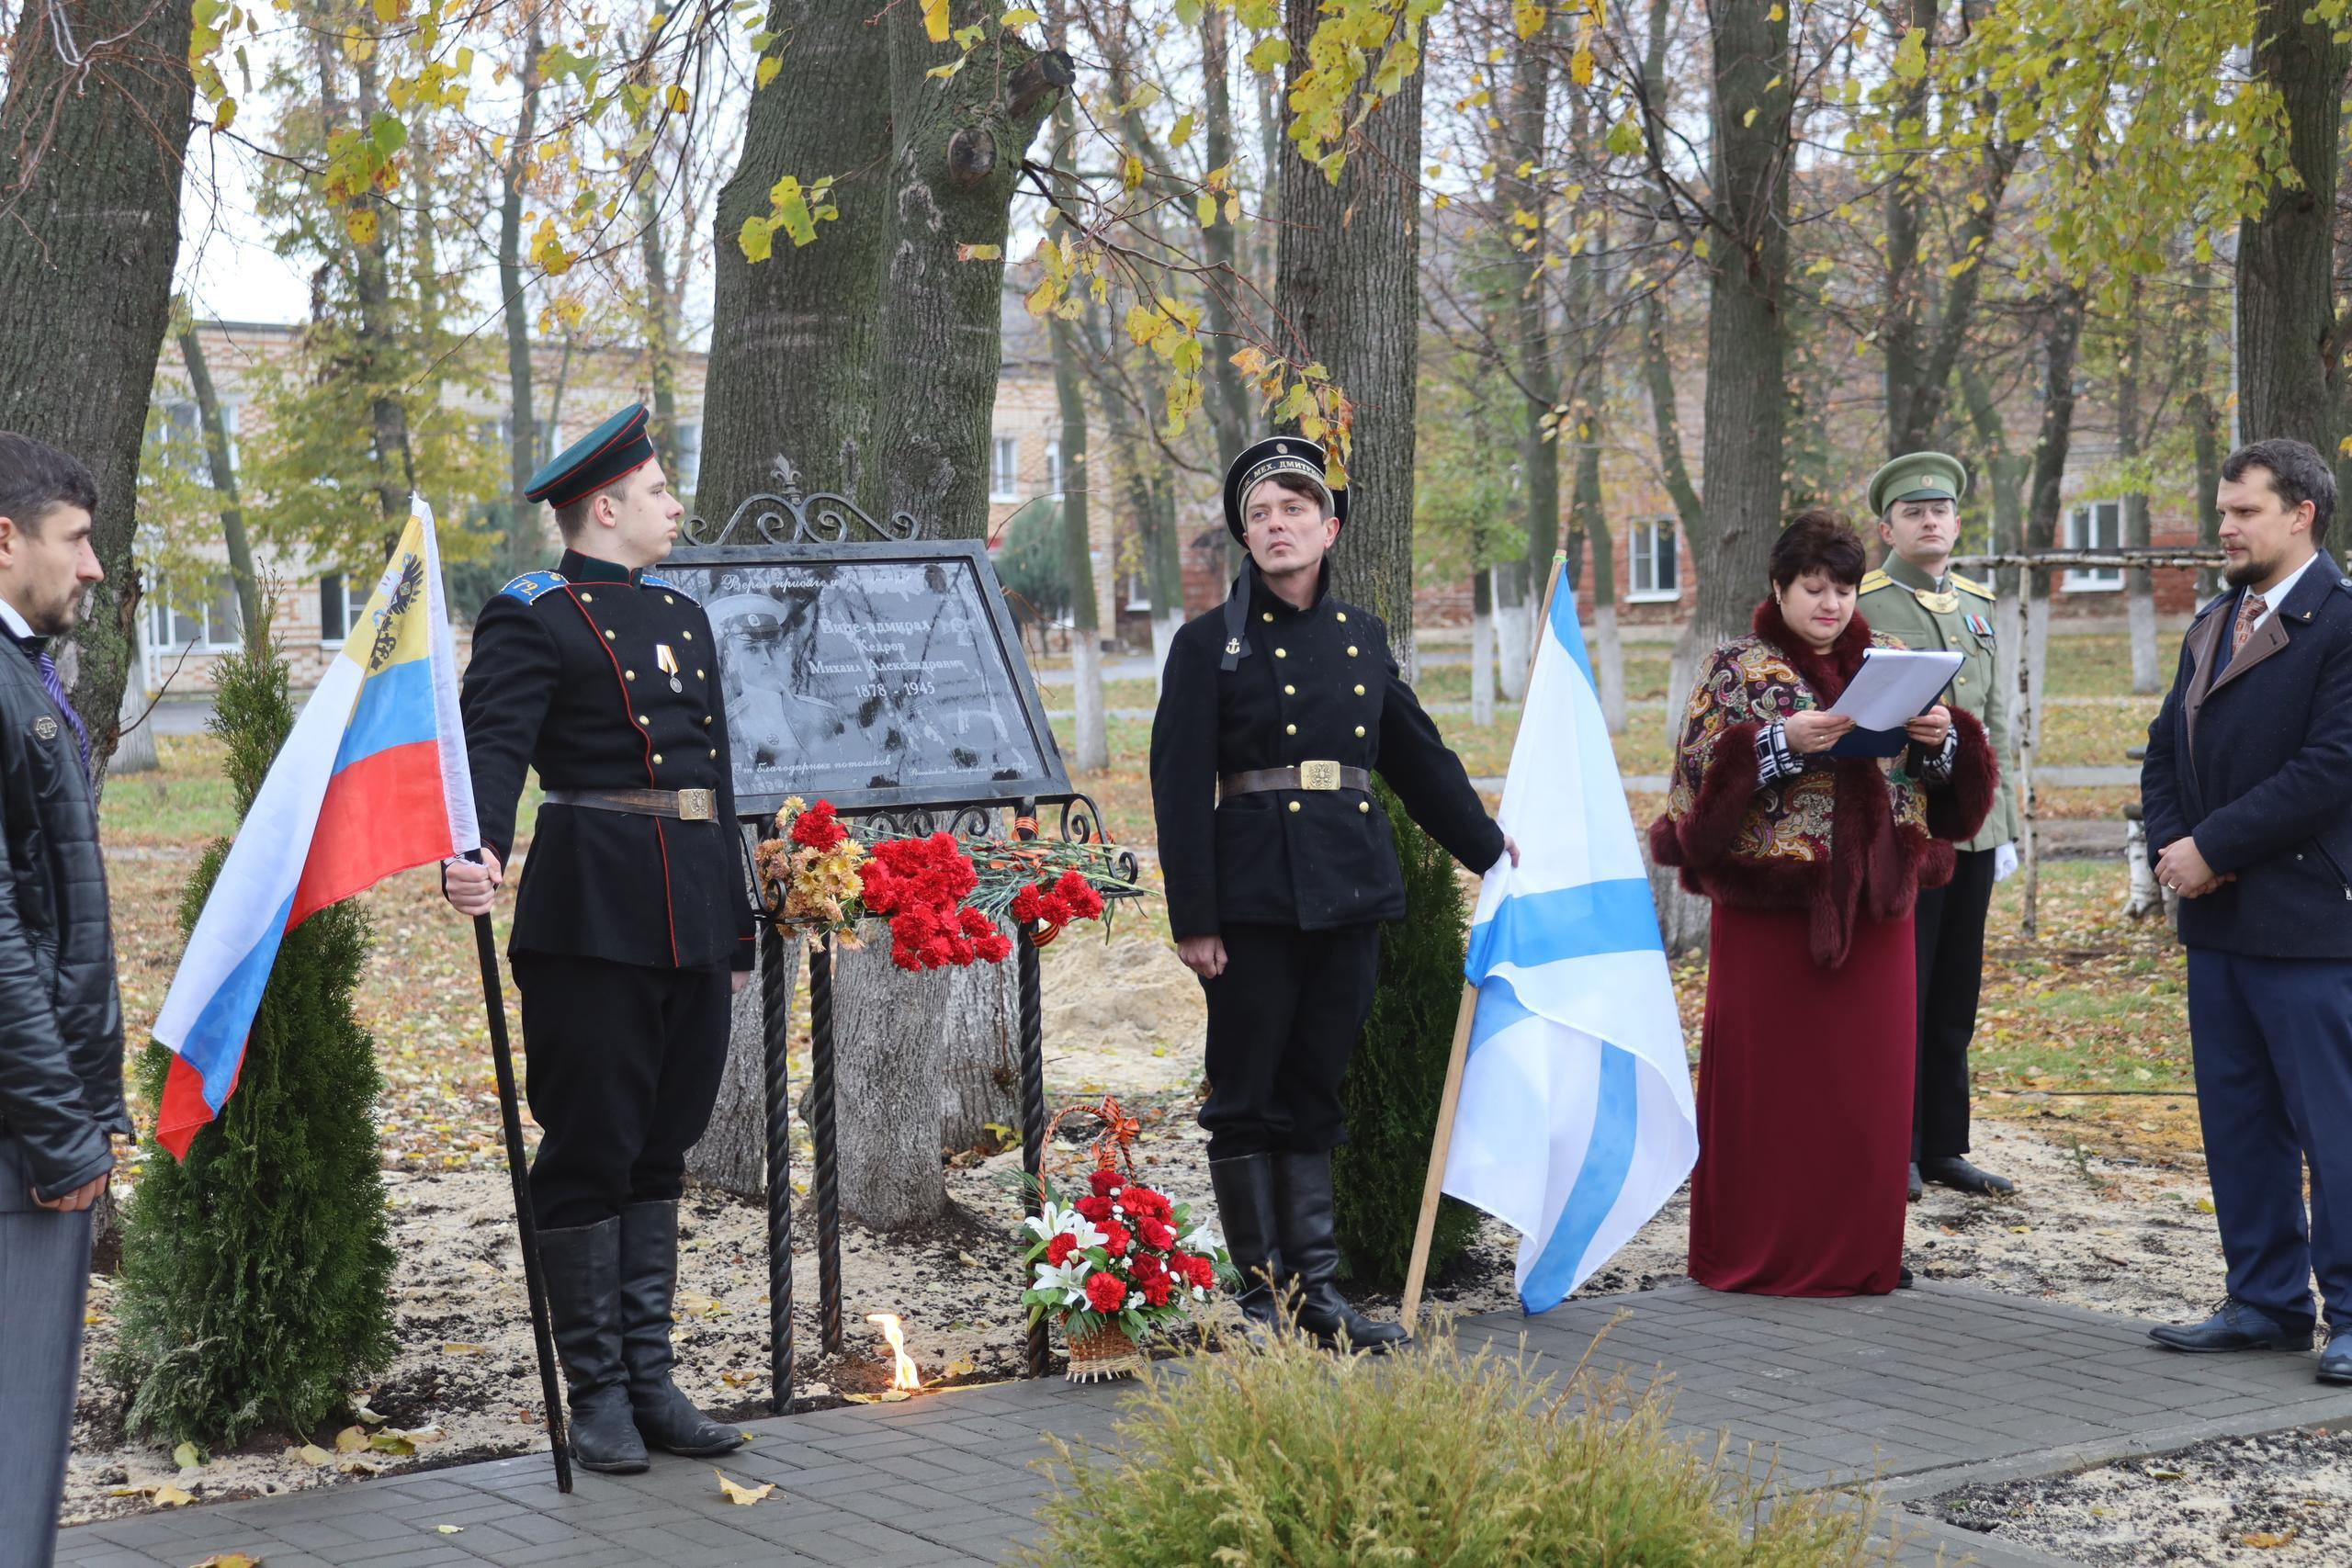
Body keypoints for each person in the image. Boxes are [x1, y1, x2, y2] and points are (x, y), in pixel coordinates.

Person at [442, 403, 756, 1472]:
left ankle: (651, 1379)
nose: (675, 506)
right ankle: (600, 1394)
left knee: (664, 1144)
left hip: (695, 906)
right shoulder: (533, 614)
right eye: (661, 492)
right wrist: (475, 846)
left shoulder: (684, 613)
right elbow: (494, 739)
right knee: (592, 1147)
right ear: (607, 506)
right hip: (595, 911)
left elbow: (713, 774)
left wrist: (741, 910)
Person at [1149, 436, 1515, 1351]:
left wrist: (1493, 853)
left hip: (1349, 889)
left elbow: (1416, 758)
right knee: (1245, 1096)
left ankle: (1318, 1295)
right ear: (1243, 534)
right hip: (1250, 902)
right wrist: (1194, 918)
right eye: (1261, 514)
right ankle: (1261, 1296)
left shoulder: (1359, 637)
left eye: (1295, 510)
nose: (1278, 527)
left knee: (1315, 1089)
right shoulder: (1207, 646)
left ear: (1329, 527)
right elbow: (1177, 783)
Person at [1650, 510, 1996, 1297]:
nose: (1831, 603)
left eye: (1842, 587)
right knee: (1773, 1095)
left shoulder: (1897, 658)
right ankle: (1756, 1248)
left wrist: (1942, 739)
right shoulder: (1737, 668)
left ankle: (1861, 1247)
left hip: (1879, 913)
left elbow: (1954, 801)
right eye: (1814, 588)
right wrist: (1777, 746)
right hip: (1773, 919)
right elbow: (1693, 807)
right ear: (1779, 587)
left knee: (1863, 1096)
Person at [2139, 437, 2352, 1382]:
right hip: (2218, 925)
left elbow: (2330, 766)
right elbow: (2160, 751)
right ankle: (2263, 1301)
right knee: (2236, 1121)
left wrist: (2212, 847)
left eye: (2242, 512)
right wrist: (2174, 847)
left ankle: (2350, 1314)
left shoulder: (2341, 622)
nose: (2221, 527)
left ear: (2300, 513)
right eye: (2222, 510)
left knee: (2333, 1128)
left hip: (2309, 925)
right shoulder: (2213, 621)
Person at [0, 433, 123, 1568]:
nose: (92, 566)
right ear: (6, 538)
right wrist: (59, 1128)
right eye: (75, 539)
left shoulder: (18, 670)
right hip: (16, 1140)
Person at [1858, 452, 2020, 1202]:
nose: (1931, 521)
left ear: (1957, 521)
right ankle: (1897, 1148)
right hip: (1907, 827)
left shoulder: (1979, 604)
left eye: (1942, 511)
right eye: (1915, 512)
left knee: (1956, 995)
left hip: (1974, 828)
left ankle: (1947, 1144)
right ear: (1886, 525)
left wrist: (2006, 821)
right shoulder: (1864, 605)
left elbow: (2000, 726)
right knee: (1903, 993)